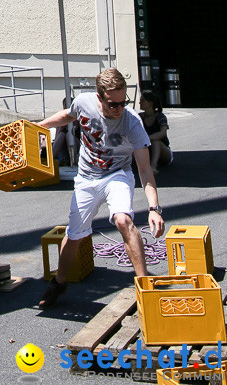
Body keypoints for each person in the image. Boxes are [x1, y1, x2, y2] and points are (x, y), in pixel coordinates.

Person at [37, 68, 164, 309]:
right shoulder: (84, 102)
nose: (119, 109)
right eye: (112, 104)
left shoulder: (132, 124)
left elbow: (145, 170)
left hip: (118, 174)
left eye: (123, 102)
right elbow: (68, 115)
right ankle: (59, 282)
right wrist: (40, 125)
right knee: (75, 234)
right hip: (86, 177)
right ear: (99, 97)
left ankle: (144, 286)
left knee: (123, 221)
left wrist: (154, 208)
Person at [139, 89, 172, 175]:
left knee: (155, 140)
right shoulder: (139, 117)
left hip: (163, 152)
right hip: (146, 151)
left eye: (142, 101)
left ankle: (153, 166)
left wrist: (147, 138)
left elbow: (163, 133)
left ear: (151, 103)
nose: (140, 103)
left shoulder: (160, 116)